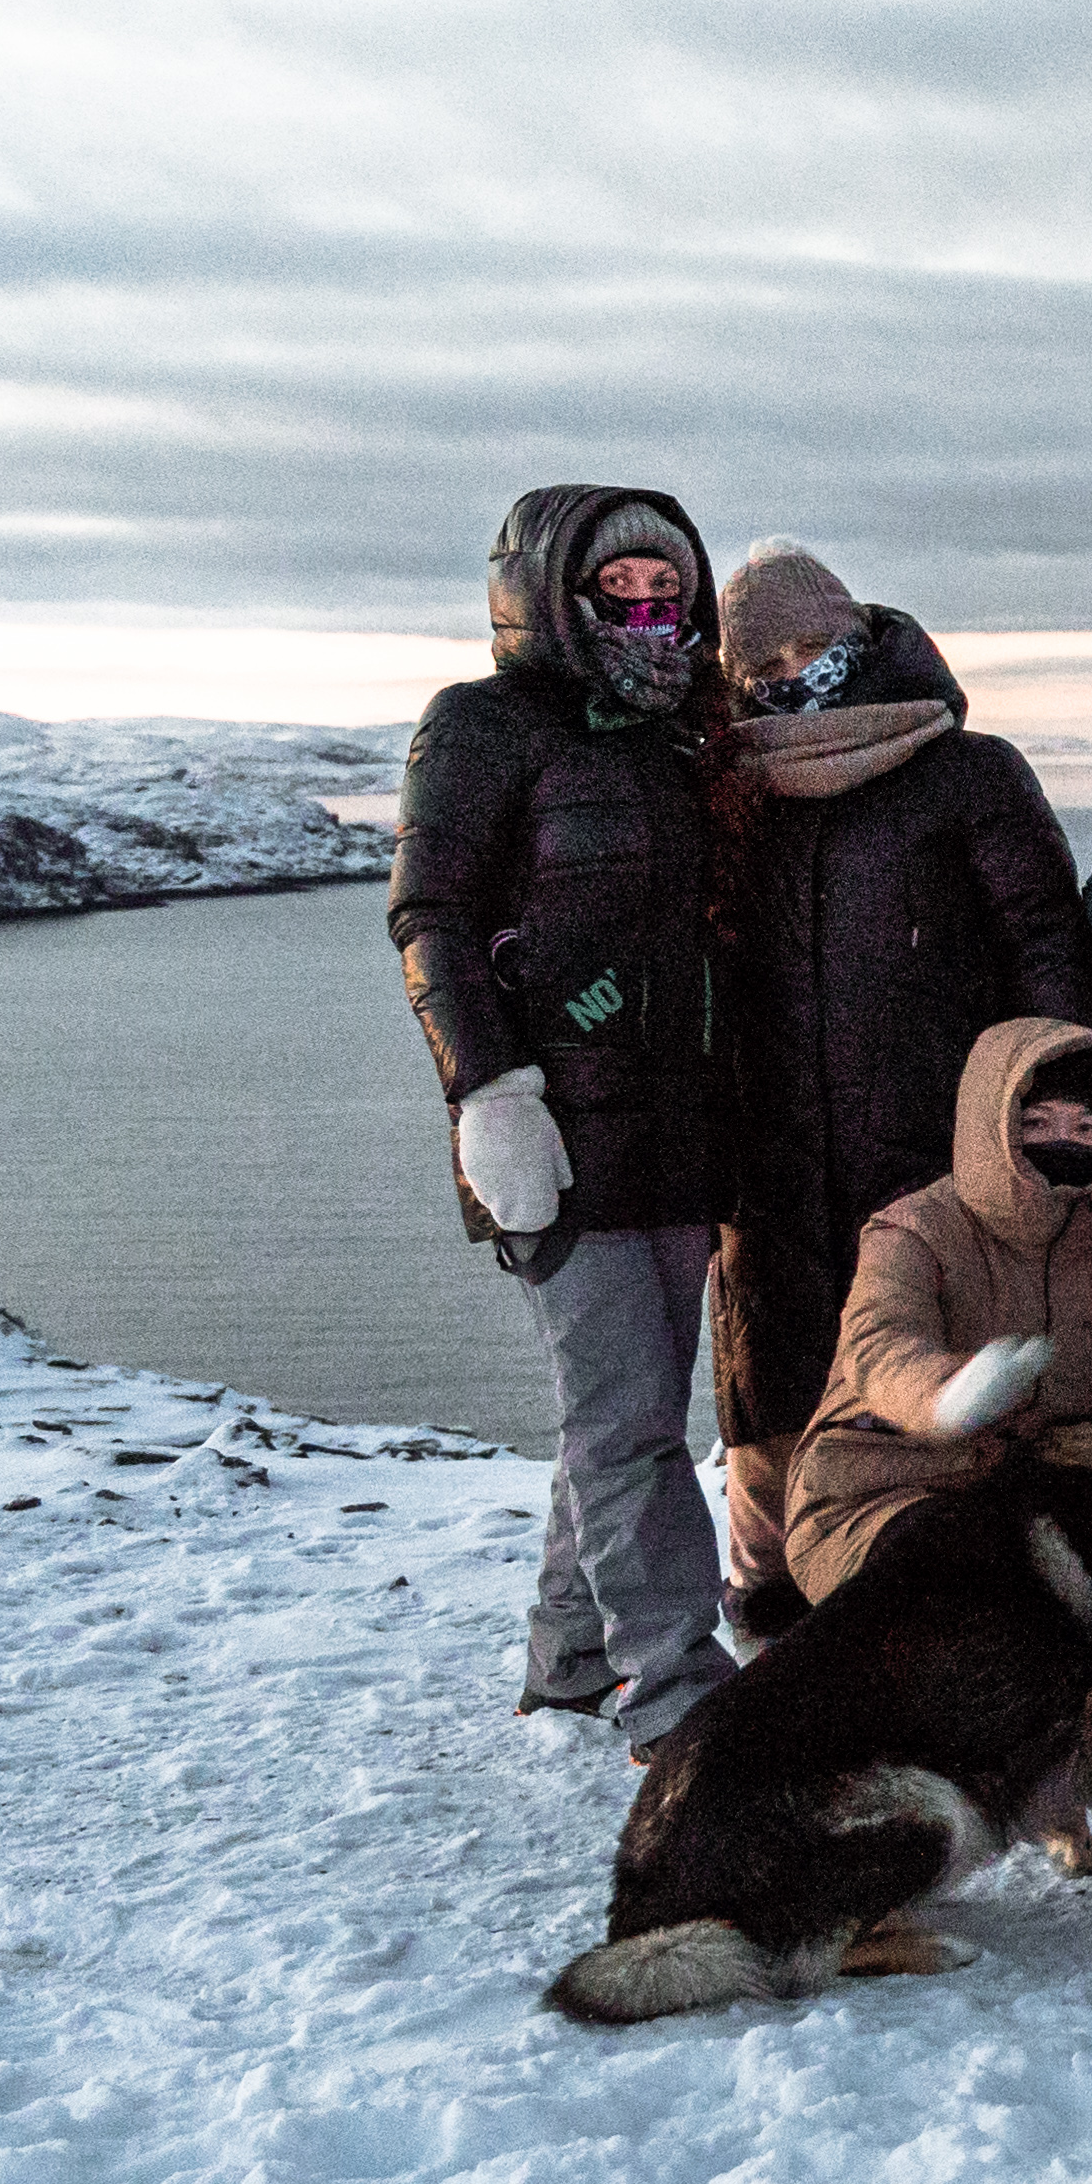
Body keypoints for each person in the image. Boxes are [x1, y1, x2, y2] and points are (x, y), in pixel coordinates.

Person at [388, 483, 745, 1753]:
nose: (651, 612)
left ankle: (570, 1657)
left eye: (669, 590)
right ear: (554, 595)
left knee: (629, 1412)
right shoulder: (482, 726)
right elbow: (430, 914)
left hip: (678, 1130)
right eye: (620, 590)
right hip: (552, 1131)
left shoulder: (685, 735)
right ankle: (679, 1691)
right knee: (627, 1417)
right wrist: (486, 1092)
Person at [703, 540, 1092, 1639]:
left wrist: (1069, 1110)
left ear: (859, 634)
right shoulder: (735, 792)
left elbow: (1043, 945)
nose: (795, 668)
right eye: (766, 659)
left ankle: (987, 1614)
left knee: (953, 1385)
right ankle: (781, 1600)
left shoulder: (969, 771)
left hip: (941, 1150)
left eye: (815, 642)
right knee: (776, 1391)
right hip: (771, 1164)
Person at [779, 1018, 1092, 1603]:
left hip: (1034, 1506)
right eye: (1037, 1122)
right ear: (996, 1125)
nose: (1061, 1141)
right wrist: (951, 1395)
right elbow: (880, 1346)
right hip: (882, 1492)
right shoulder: (913, 1230)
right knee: (960, 1573)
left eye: (1086, 1127)